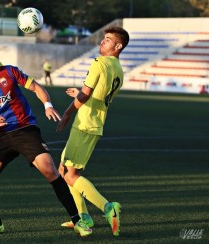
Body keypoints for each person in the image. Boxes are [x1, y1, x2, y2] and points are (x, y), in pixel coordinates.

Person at [0, 38, 92, 237]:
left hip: (25, 129)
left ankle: (78, 221)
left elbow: (38, 88)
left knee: (49, 170)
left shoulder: (9, 72)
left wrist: (47, 105)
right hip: (2, 135)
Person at [56, 26, 130, 237]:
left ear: (118, 46)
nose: (102, 42)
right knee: (63, 170)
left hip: (84, 123)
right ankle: (82, 217)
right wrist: (80, 95)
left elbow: (86, 95)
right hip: (94, 122)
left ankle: (108, 207)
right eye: (103, 39)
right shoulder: (119, 70)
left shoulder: (99, 63)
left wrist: (67, 113)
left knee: (70, 175)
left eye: (107, 40)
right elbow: (95, 95)